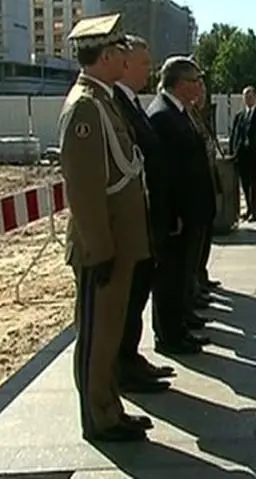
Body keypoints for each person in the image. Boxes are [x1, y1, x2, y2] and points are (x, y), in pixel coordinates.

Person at [58, 13, 152, 442]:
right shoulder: (85, 106)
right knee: (97, 335)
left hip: (119, 239)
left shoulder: (102, 99)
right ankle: (99, 418)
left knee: (110, 331)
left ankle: (110, 407)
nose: (125, 58)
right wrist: (99, 249)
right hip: (104, 245)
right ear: (105, 55)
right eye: (119, 51)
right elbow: (84, 187)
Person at [110, 34, 175, 394]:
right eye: (143, 63)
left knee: (138, 294)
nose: (148, 69)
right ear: (124, 64)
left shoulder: (131, 101)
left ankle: (132, 358)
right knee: (129, 297)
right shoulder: (114, 103)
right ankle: (124, 365)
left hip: (147, 213)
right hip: (134, 215)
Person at [146, 56, 216, 355]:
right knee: (171, 276)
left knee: (184, 271)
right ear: (179, 83)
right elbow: (164, 174)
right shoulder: (162, 116)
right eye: (194, 80)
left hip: (193, 209)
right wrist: (172, 214)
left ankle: (182, 322)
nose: (200, 86)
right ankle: (169, 335)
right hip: (178, 214)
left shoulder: (183, 112)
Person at [182, 75, 225, 309]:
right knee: (194, 245)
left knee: (204, 238)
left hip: (207, 182)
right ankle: (193, 286)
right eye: (199, 89)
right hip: (196, 188)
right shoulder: (186, 116)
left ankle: (200, 277)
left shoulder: (198, 116)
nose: (202, 95)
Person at [230, 86, 256, 221]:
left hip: (255, 154)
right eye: (246, 97)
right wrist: (232, 152)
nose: (248, 99)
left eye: (250, 96)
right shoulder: (240, 116)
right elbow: (234, 136)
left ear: (255, 98)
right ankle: (248, 209)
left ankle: (255, 212)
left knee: (254, 183)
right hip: (242, 155)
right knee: (245, 183)